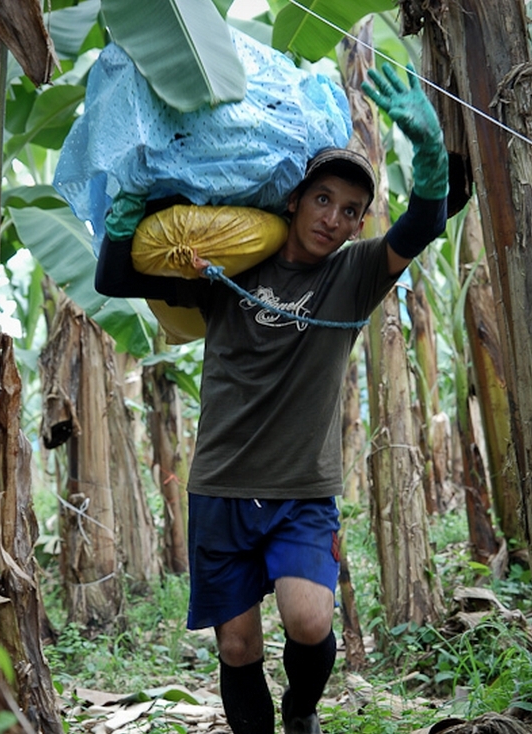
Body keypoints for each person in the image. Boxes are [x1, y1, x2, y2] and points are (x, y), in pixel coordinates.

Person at [95, 63, 449, 734]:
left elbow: (423, 224)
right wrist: (125, 209)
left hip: (301, 490)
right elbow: (114, 280)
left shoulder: (355, 274)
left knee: (309, 618)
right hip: (221, 484)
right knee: (237, 646)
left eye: (350, 211)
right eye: (323, 200)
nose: (335, 219)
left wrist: (428, 152)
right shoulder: (228, 263)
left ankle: (302, 710)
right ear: (294, 200)